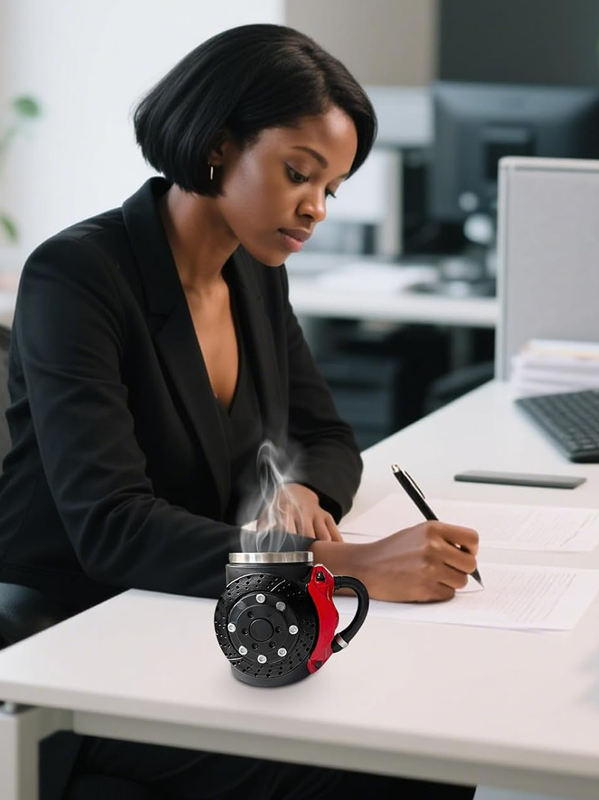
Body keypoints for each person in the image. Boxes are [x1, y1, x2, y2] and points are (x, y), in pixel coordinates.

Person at [0, 24, 477, 800]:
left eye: (331, 188)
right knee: (401, 762)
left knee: (432, 729)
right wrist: (347, 565)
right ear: (219, 143)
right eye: (299, 173)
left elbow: (327, 436)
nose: (315, 208)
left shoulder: (252, 274)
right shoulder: (77, 277)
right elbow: (112, 527)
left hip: (202, 613)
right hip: (80, 639)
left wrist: (304, 492)